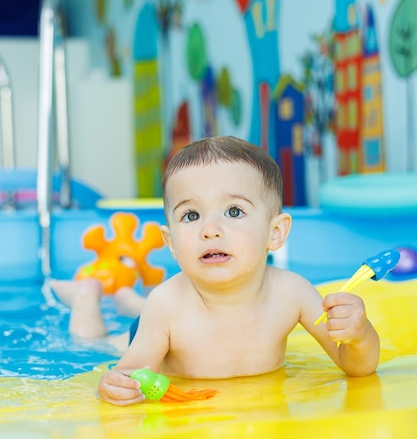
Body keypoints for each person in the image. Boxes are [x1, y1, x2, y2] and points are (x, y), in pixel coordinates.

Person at [55, 136, 380, 406]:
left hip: (166, 317)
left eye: (234, 211)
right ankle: (87, 298)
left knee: (143, 306)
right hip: (154, 328)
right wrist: (115, 385)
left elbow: (355, 366)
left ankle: (126, 299)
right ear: (171, 242)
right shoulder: (166, 304)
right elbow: (129, 374)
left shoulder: (292, 293)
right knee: (97, 340)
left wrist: (358, 334)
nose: (210, 230)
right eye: (191, 215)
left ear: (275, 233)